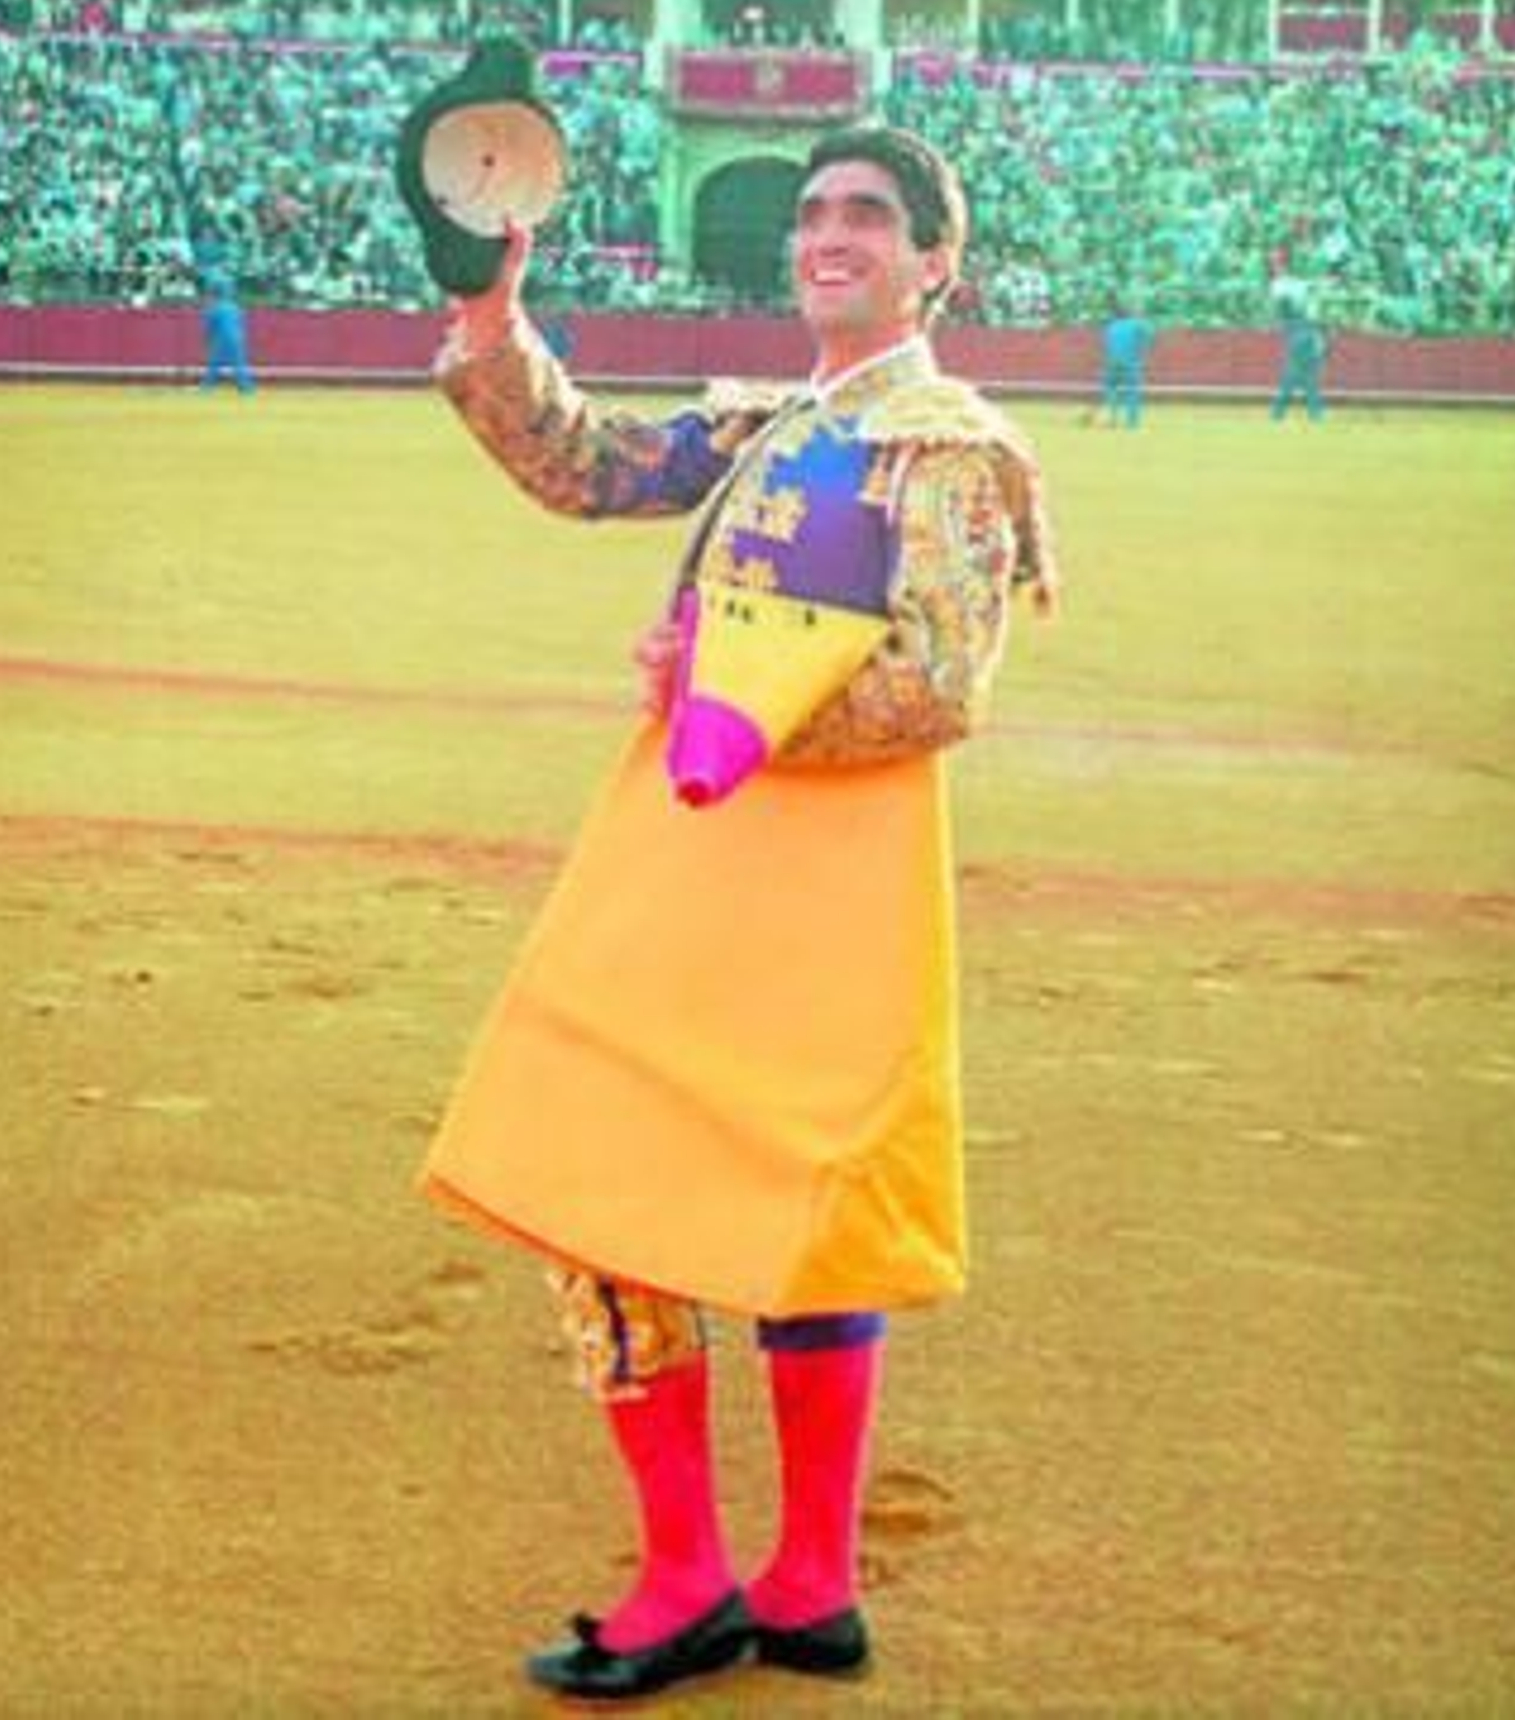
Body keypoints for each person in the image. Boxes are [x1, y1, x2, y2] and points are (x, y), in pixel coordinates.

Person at [418, 124, 1058, 1703]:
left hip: (825, 870)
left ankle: (786, 1576)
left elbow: (938, 684)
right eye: (813, 213)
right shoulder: (773, 423)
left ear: (933, 263)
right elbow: (586, 465)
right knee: (616, 1169)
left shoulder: (950, 449)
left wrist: (729, 692)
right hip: (701, 851)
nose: (827, 233)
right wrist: (498, 320)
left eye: (868, 215)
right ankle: (728, 1572)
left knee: (796, 1193)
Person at [198, 268, 255, 394]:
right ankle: (246, 388)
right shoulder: (235, 306)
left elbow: (209, 327)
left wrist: (207, 340)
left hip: (222, 339)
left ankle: (207, 387)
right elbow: (241, 323)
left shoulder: (213, 307)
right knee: (240, 364)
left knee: (214, 364)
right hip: (238, 337)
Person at [1271, 304, 1331, 421]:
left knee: (1291, 391)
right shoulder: (1309, 329)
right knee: (1308, 391)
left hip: (1301, 364)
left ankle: (1278, 414)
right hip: (1303, 364)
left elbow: (1321, 348)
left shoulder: (1295, 327)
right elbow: (1321, 349)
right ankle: (1315, 414)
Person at [1100, 303, 1156, 427]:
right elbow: (1151, 334)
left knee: (1111, 389)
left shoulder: (1110, 327)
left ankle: (1112, 417)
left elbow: (1106, 346)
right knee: (1132, 391)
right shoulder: (1136, 324)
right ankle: (1132, 422)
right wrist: (1142, 349)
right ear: (1129, 315)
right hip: (1130, 362)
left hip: (1111, 363)